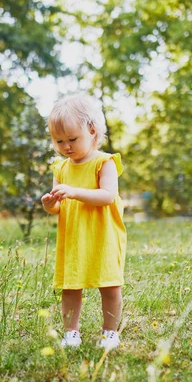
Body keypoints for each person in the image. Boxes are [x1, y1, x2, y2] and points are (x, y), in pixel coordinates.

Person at [41, 94, 127, 350]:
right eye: (59, 141)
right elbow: (58, 206)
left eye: (72, 139)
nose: (66, 146)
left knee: (109, 285)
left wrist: (74, 192)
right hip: (74, 236)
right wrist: (50, 205)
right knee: (70, 286)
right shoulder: (61, 168)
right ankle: (71, 332)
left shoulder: (105, 162)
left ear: (92, 131)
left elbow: (107, 196)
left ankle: (110, 332)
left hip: (103, 235)